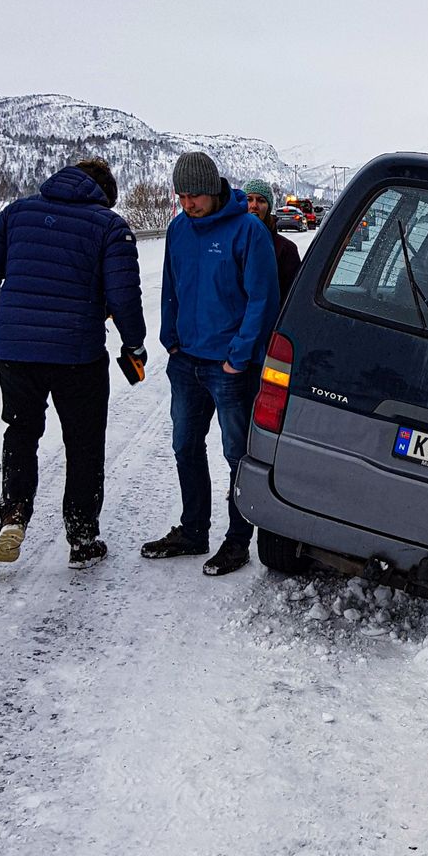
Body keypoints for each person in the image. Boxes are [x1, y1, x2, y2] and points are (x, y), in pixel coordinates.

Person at [0, 158, 146, 569]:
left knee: (22, 430)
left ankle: (14, 514)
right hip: (77, 356)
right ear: (104, 193)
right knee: (83, 443)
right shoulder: (109, 225)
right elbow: (123, 297)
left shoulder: (16, 213)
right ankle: (82, 537)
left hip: (16, 350)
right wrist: (134, 346)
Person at [141, 152, 279, 576]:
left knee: (236, 453)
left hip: (229, 369)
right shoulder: (179, 228)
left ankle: (238, 540)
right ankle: (193, 530)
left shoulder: (248, 230)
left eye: (194, 195)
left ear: (214, 189)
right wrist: (170, 337)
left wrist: (239, 357)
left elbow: (262, 299)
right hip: (186, 363)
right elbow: (172, 286)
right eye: (180, 195)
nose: (187, 204)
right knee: (185, 446)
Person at [245, 179, 301, 302]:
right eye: (249, 199)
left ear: (269, 207)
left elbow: (292, 298)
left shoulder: (286, 249)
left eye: (261, 200)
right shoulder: (227, 243)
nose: (254, 205)